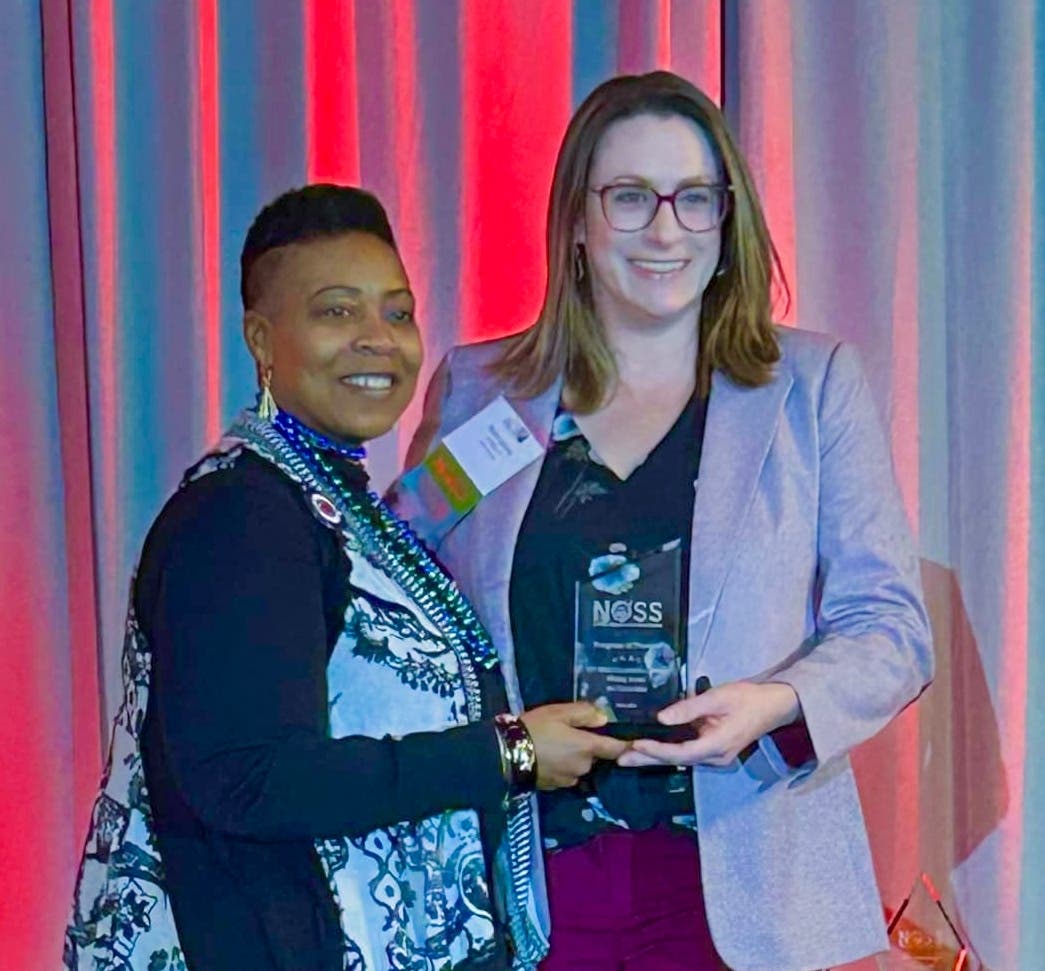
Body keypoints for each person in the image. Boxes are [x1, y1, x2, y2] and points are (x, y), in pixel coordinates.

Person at [391, 72, 934, 971]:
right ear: (575, 220)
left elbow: (891, 628)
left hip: (746, 874)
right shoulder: (484, 392)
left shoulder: (810, 388)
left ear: (727, 223)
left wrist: (775, 704)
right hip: (525, 881)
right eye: (630, 198)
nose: (664, 230)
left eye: (693, 199)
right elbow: (402, 597)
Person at [64, 184, 626, 971]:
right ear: (262, 339)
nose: (377, 339)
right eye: (336, 311)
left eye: (396, 313)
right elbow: (249, 778)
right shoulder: (239, 517)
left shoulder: (333, 502)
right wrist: (504, 753)